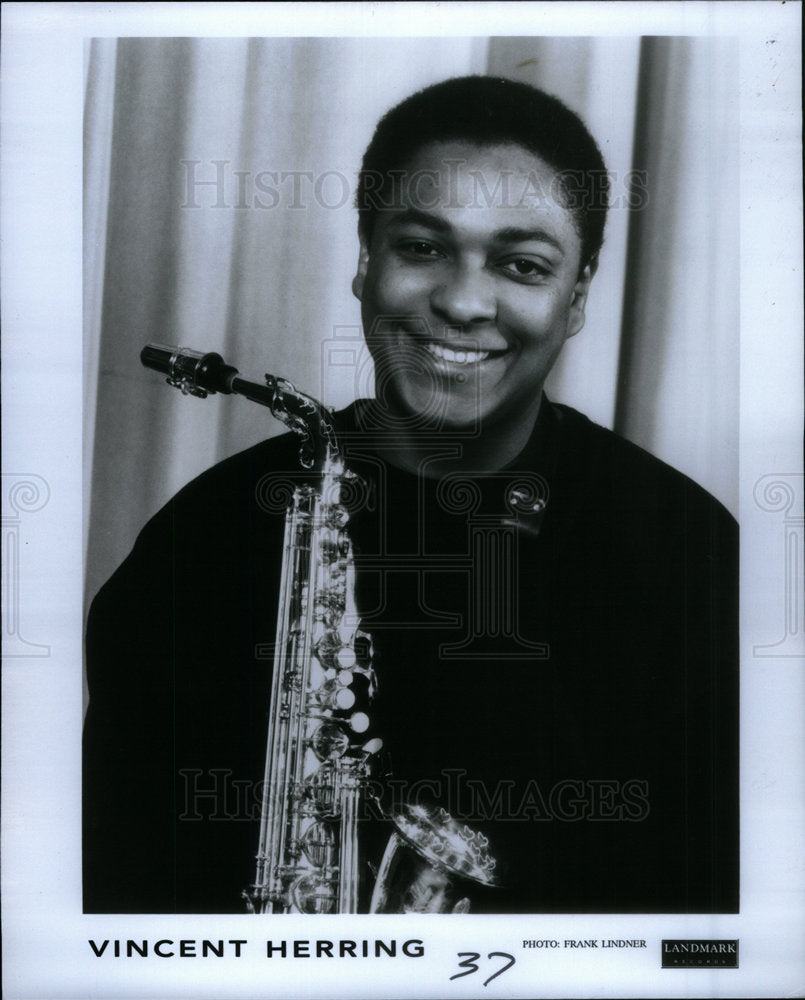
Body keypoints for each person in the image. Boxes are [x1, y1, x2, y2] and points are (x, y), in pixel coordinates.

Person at [83, 76, 738, 914]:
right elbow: (121, 906)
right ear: (364, 263)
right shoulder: (198, 544)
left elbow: (714, 932)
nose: (463, 303)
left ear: (574, 299)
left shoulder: (687, 552)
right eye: (422, 247)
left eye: (521, 264)